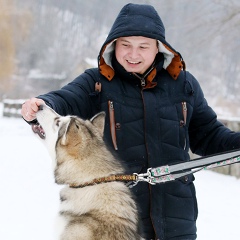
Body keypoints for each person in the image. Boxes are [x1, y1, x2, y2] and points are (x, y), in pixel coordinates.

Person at [21, 3, 240, 240]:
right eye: (125, 45)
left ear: (159, 48)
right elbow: (64, 100)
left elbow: (209, 135)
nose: (133, 54)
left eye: (143, 47)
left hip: (178, 222)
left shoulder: (184, 84)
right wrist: (39, 106)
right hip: (116, 221)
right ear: (113, 45)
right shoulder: (97, 82)